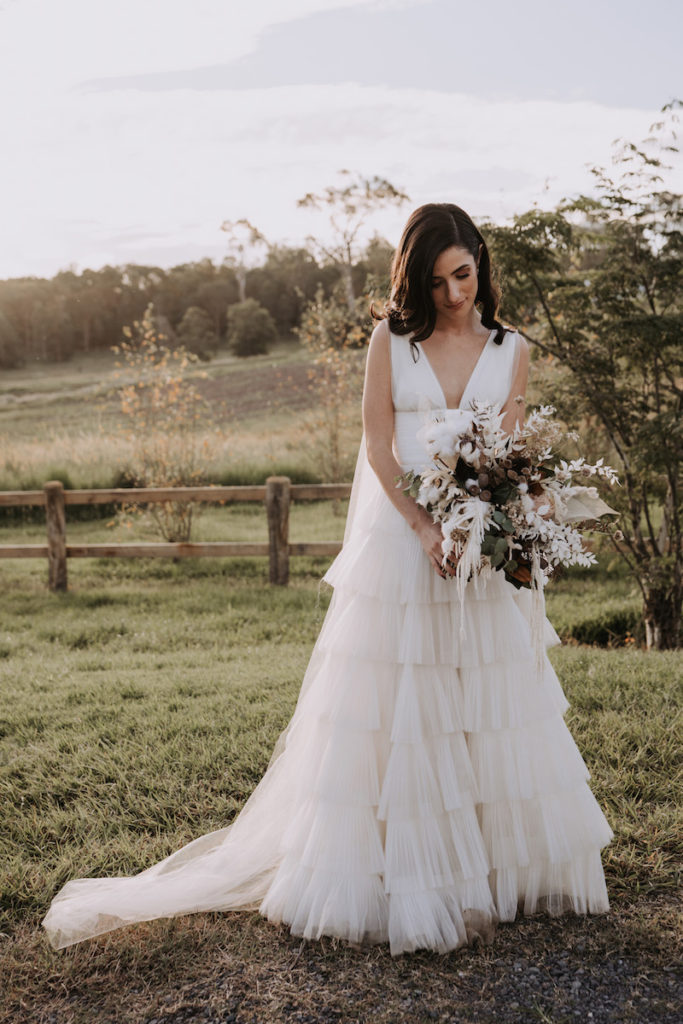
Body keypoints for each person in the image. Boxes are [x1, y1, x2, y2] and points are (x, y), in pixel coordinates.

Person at [42, 203, 614, 957]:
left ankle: (490, 869)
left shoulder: (510, 349)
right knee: (399, 708)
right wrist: (420, 525)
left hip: (477, 545)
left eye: (463, 275)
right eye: (436, 280)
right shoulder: (392, 340)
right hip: (403, 541)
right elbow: (378, 445)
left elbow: (508, 449)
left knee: (484, 698)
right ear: (415, 278)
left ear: (480, 262)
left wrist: (502, 515)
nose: (452, 295)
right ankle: (403, 874)